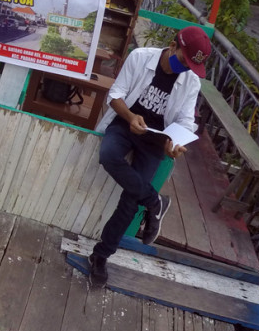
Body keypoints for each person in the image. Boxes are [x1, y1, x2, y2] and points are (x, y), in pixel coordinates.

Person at [87, 26, 211, 286]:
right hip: (125, 124)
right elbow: (115, 94)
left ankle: (100, 256)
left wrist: (174, 141)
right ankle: (155, 202)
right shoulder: (141, 57)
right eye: (182, 61)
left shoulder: (191, 81)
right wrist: (131, 117)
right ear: (172, 45)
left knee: (131, 201)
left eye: (190, 67)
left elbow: (186, 121)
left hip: (155, 141)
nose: (184, 69)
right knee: (108, 155)